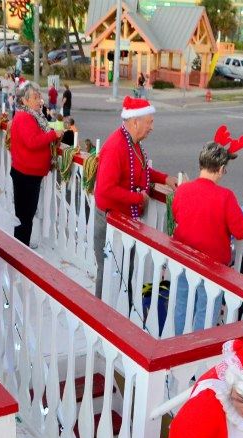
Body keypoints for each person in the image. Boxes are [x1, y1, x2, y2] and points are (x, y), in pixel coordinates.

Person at [94, 96, 177, 296]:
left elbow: (141, 171)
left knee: (125, 270)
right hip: (110, 219)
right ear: (135, 121)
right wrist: (138, 199)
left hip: (124, 219)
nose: (152, 127)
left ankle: (123, 307)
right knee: (108, 272)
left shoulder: (133, 142)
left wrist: (165, 179)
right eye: (149, 122)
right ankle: (100, 313)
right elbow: (105, 189)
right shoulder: (116, 147)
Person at [171, 140, 243, 335]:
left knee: (181, 304)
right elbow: (242, 231)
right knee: (205, 312)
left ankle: (176, 344)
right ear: (221, 168)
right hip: (212, 267)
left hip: (184, 259)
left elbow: (176, 215)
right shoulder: (225, 196)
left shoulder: (183, 190)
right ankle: (197, 353)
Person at [9, 81, 61, 246]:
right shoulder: (25, 117)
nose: (39, 101)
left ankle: (21, 244)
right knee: (25, 214)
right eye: (35, 97)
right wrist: (53, 135)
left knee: (25, 213)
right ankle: (22, 248)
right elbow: (32, 142)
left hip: (27, 172)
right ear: (24, 101)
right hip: (26, 174)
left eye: (40, 97)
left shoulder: (30, 115)